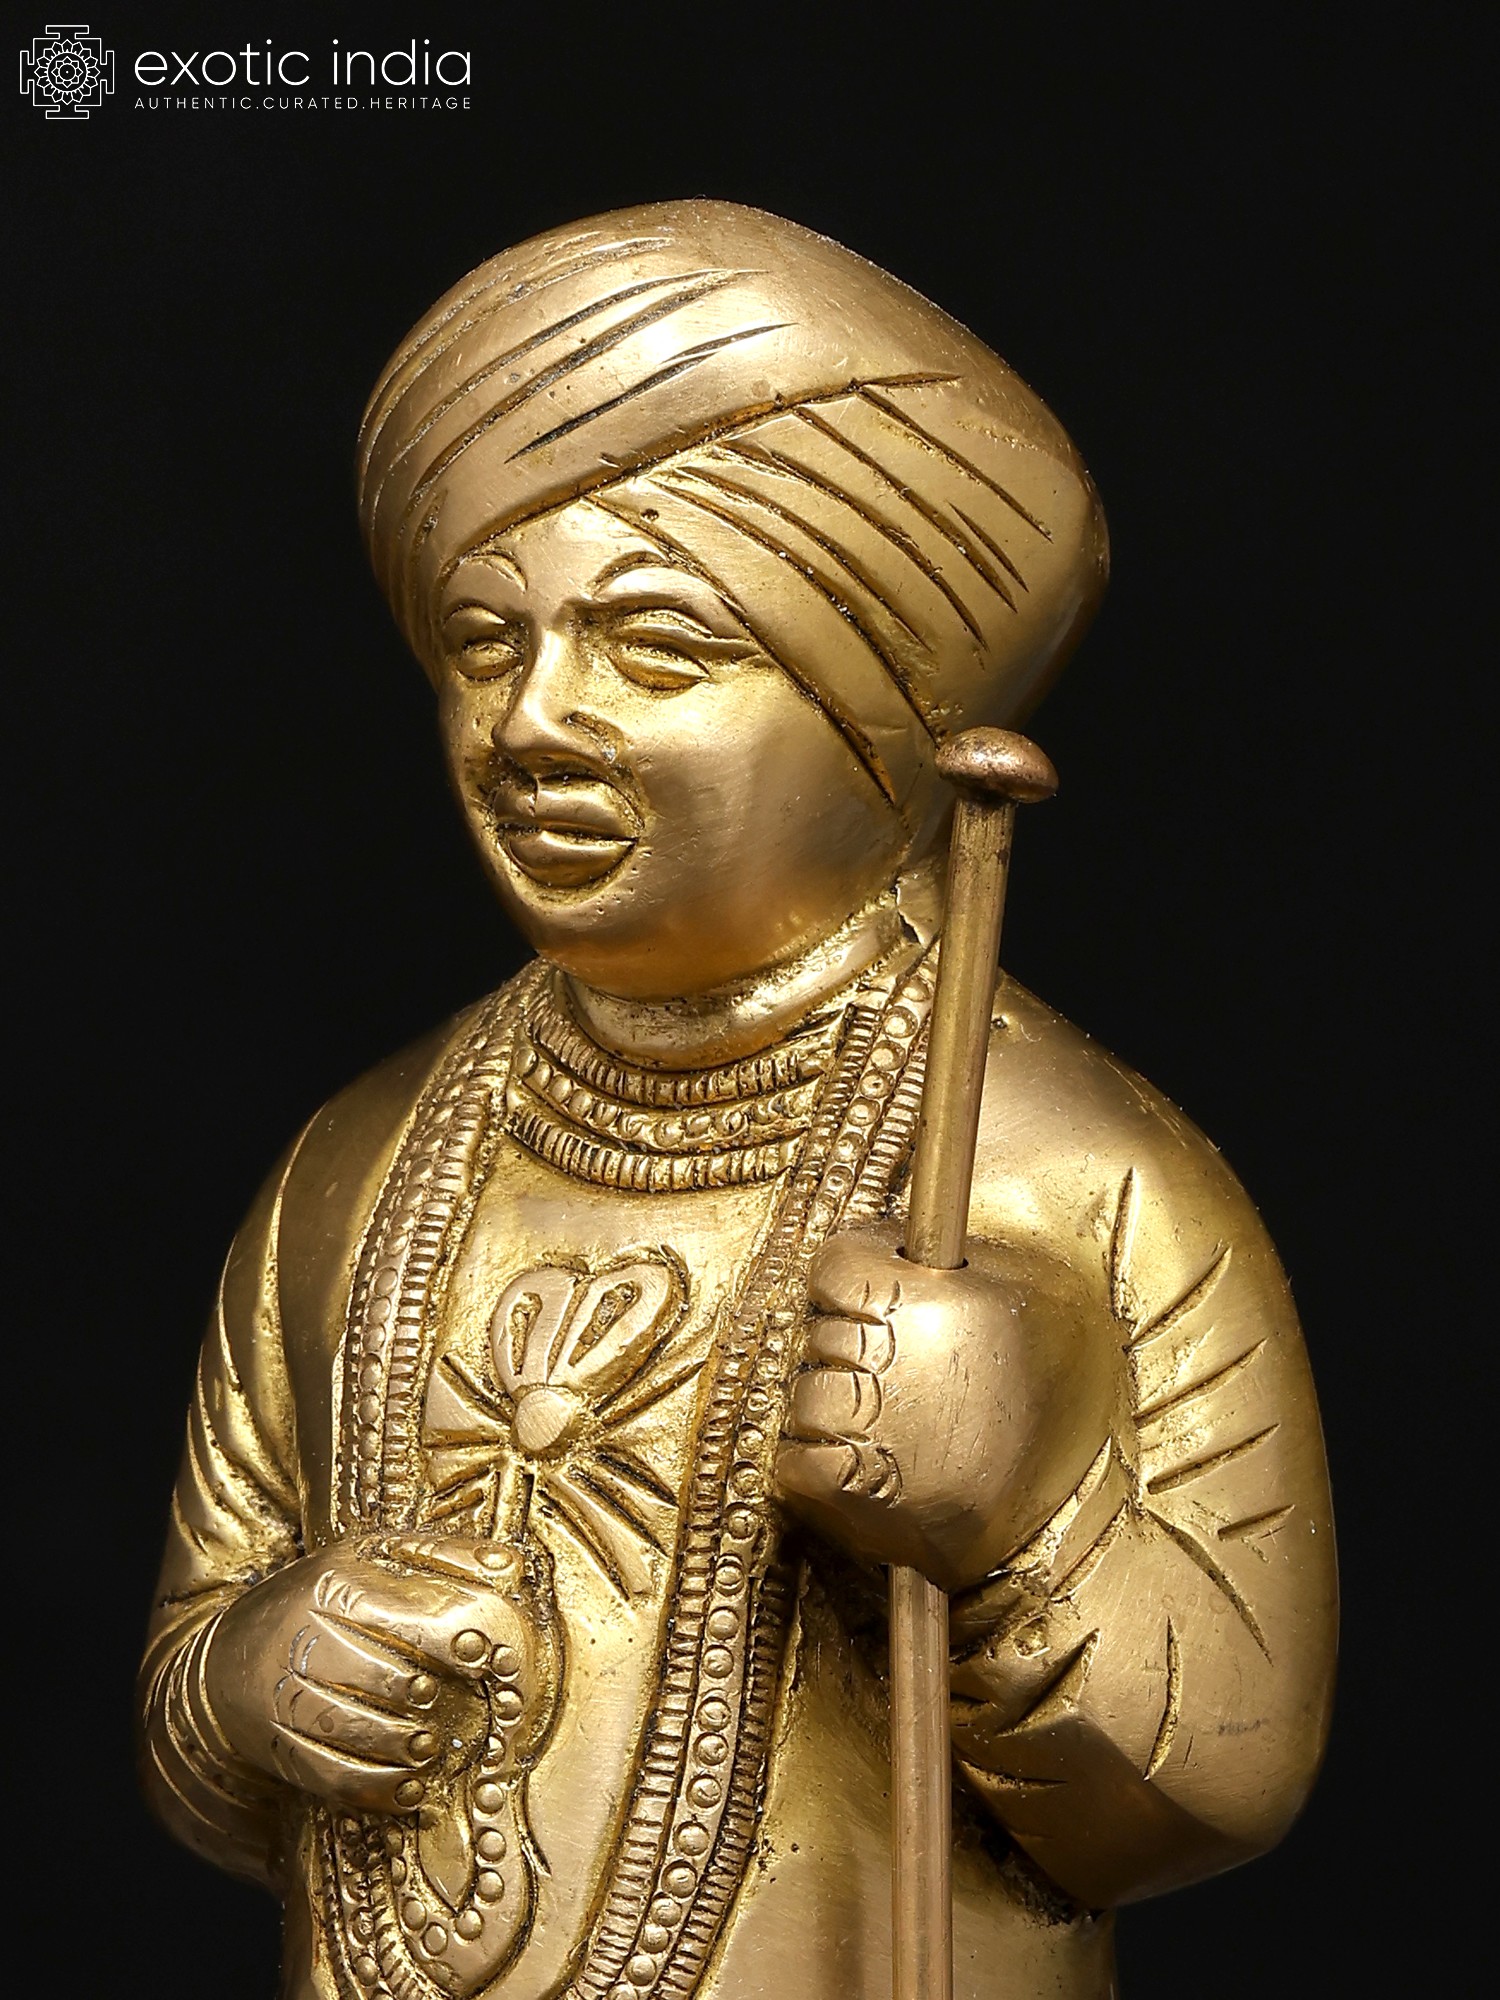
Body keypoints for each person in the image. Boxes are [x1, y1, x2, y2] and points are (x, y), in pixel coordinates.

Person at [139, 201, 1336, 2000]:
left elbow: (1218, 1785)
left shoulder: (1074, 1179)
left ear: (883, 726)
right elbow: (194, 1703)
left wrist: (1028, 1527)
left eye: (656, 646)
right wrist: (252, 1682)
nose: (533, 720)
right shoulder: (354, 1170)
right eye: (485, 643)